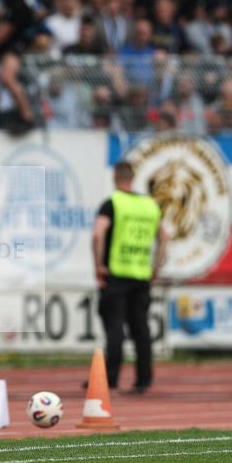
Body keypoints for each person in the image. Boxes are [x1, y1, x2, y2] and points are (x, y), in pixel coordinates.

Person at [92, 161, 167, 394]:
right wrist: (156, 267)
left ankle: (110, 379)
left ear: (115, 176)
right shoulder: (149, 206)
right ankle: (144, 378)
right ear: (133, 177)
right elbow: (165, 238)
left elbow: (98, 234)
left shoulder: (112, 203)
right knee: (141, 328)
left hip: (116, 273)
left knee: (115, 328)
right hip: (142, 275)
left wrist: (98, 265)